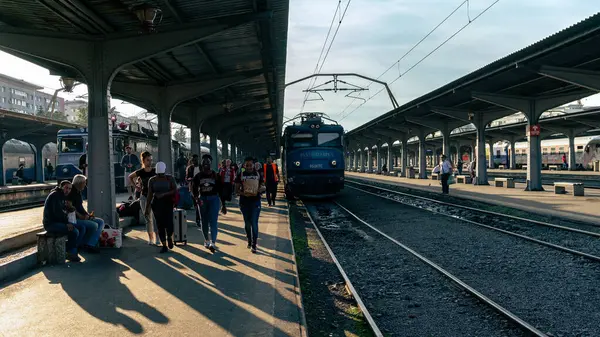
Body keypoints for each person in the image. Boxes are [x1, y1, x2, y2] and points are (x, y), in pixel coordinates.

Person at [42, 181, 82, 262]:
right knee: (74, 231)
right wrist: (67, 223)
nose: (68, 190)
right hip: (50, 224)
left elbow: (62, 211)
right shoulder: (55, 195)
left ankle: (73, 250)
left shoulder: (61, 196)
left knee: (81, 228)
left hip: (57, 222)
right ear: (61, 187)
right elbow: (57, 213)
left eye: (70, 189)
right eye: (66, 188)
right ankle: (70, 252)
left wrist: (70, 208)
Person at [192, 154, 222, 252]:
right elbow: (193, 188)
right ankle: (206, 240)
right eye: (204, 162)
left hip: (214, 199)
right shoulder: (198, 176)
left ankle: (213, 242)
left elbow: (220, 190)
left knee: (213, 221)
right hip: (202, 199)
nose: (205, 163)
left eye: (207, 162)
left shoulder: (215, 175)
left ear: (210, 163)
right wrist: (196, 198)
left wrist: (223, 204)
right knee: (204, 221)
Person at [145, 162, 177, 253]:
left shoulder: (170, 178)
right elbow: (150, 194)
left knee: (169, 222)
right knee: (160, 224)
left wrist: (164, 194)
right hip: (156, 204)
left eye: (162, 174)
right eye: (159, 174)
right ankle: (164, 244)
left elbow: (175, 190)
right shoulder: (152, 180)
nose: (160, 175)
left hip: (168, 203)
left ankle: (169, 237)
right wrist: (147, 208)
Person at [236, 157, 266, 254]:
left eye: (250, 165)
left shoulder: (257, 174)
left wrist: (260, 189)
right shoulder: (241, 174)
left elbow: (263, 185)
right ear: (244, 165)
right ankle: (249, 239)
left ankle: (254, 244)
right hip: (244, 202)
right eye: (247, 165)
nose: (249, 167)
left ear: (254, 165)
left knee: (254, 222)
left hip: (255, 202)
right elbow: (236, 189)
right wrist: (243, 193)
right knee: (247, 224)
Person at [68, 174, 104, 253]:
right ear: (79, 183)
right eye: (84, 183)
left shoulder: (78, 192)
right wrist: (81, 216)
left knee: (100, 221)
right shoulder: (71, 192)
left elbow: (80, 206)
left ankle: (91, 243)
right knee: (94, 225)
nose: (85, 185)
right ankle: (86, 244)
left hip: (80, 217)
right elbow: (70, 208)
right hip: (73, 219)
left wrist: (87, 214)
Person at [129, 151, 158, 245]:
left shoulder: (155, 171)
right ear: (143, 161)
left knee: (155, 218)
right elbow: (130, 177)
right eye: (148, 160)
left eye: (151, 160)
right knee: (147, 218)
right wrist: (136, 186)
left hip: (155, 197)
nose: (150, 162)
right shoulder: (140, 172)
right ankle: (151, 238)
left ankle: (157, 238)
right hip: (144, 196)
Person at [186, 154, 202, 226]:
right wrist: (189, 179)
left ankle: (201, 218)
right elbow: (187, 178)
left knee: (200, 204)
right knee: (196, 205)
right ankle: (198, 219)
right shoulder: (189, 168)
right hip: (193, 188)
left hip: (201, 188)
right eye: (193, 160)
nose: (195, 161)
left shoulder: (201, 167)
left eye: (196, 160)